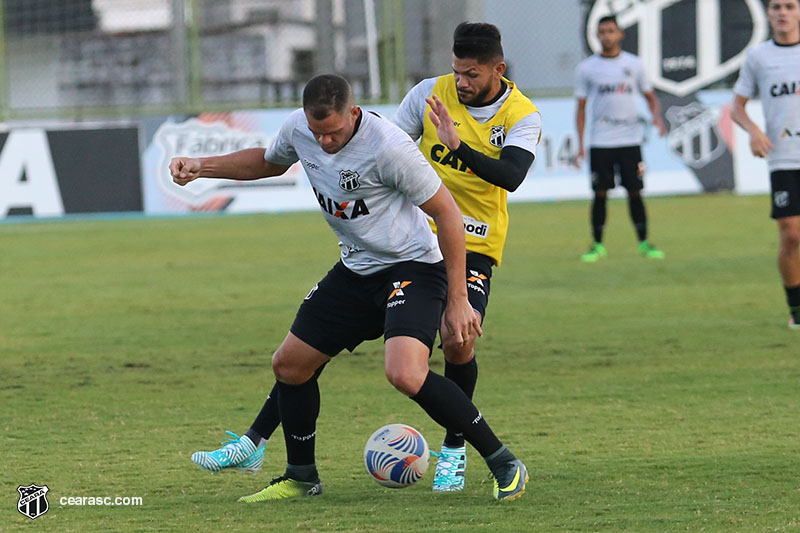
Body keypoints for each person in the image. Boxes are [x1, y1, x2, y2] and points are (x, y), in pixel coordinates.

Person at [170, 74, 529, 501]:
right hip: (356, 269)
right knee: (289, 365)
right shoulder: (300, 129)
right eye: (317, 132)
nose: (324, 142)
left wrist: (457, 301)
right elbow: (269, 162)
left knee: (405, 372)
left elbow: (447, 215)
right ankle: (301, 476)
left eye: (334, 132)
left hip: (412, 267)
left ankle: (504, 462)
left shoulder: (388, 147)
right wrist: (202, 167)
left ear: (354, 113)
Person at [392, 21, 541, 492]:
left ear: (498, 68)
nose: (461, 83)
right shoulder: (429, 95)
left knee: (458, 341)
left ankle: (455, 444)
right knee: (329, 333)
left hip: (474, 244)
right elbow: (389, 147)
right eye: (457, 72)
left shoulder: (522, 115)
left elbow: (511, 176)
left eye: (472, 74)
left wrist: (458, 147)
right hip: (414, 240)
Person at [574, 15, 667, 263]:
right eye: (602, 32)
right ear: (597, 35)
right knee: (600, 193)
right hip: (601, 141)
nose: (606, 36)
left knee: (635, 191)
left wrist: (656, 117)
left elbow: (649, 96)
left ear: (620, 34)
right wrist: (581, 143)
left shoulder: (634, 65)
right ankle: (596, 245)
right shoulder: (587, 68)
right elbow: (581, 107)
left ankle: (645, 242)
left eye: (611, 31)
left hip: (630, 139)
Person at [731, 0, 800, 329]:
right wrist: (754, 131)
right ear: (768, 14)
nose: (782, 13)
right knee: (791, 236)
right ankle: (796, 309)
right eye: (776, 7)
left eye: (789, 6)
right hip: (783, 157)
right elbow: (737, 108)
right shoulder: (758, 57)